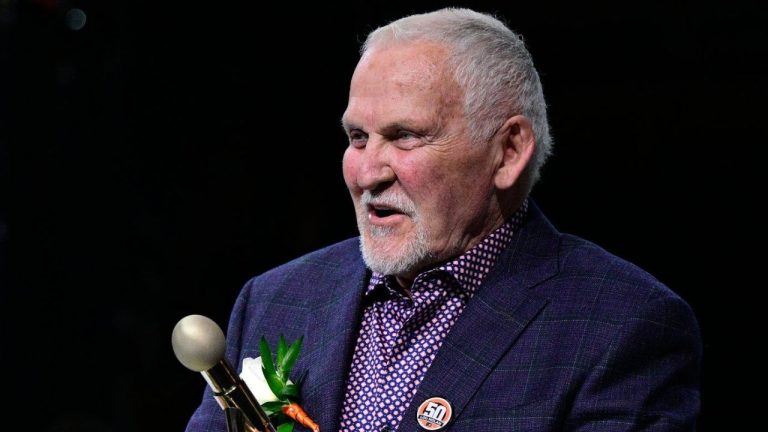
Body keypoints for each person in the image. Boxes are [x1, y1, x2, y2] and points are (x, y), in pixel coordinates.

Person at [185, 8, 701, 432]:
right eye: (358, 137)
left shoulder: (621, 326)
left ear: (508, 152)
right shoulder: (277, 299)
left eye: (406, 135)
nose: (366, 173)